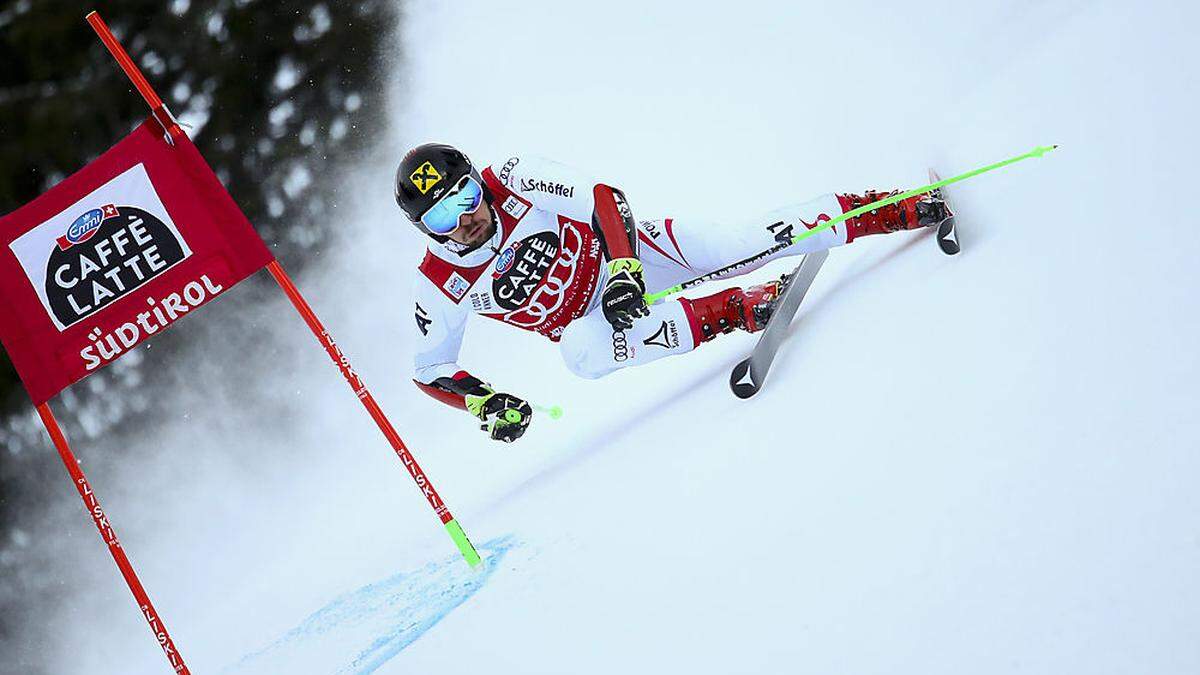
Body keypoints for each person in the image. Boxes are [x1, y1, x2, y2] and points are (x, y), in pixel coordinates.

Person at [397, 144, 950, 443]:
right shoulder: (438, 283)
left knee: (746, 240)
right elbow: (429, 370)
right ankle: (740, 308)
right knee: (579, 354)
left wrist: (622, 267)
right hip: (599, 322)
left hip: (635, 259)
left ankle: (900, 207)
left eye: (465, 192)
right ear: (426, 229)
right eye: (443, 213)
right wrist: (483, 401)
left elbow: (602, 196)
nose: (467, 215)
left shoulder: (513, 175)